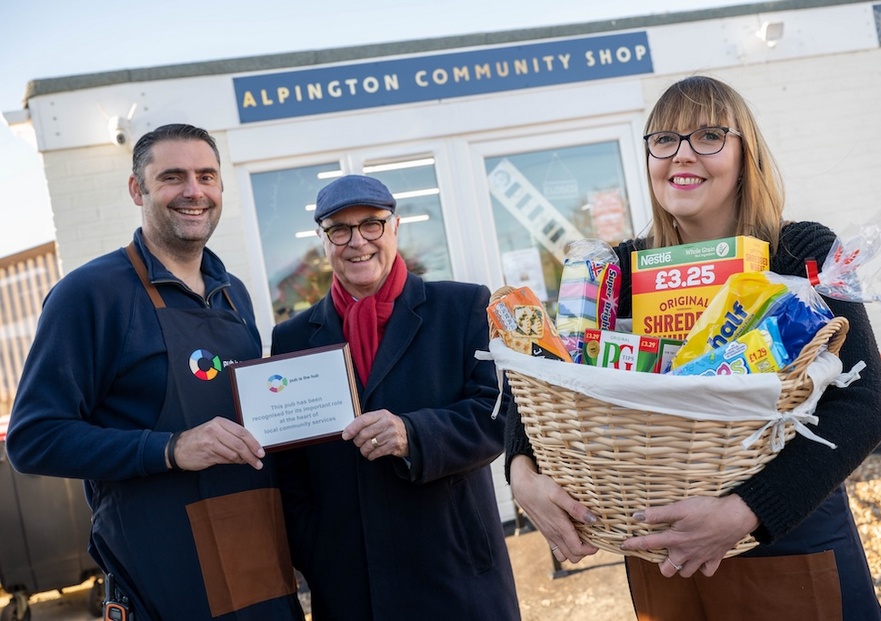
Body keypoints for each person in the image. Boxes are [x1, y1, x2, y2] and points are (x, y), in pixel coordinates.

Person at [505, 75, 881, 620]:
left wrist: (746, 512)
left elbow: (865, 407)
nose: (681, 155)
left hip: (788, 538)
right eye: (664, 140)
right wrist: (521, 473)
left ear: (745, 153)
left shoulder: (799, 251)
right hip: (660, 550)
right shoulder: (614, 269)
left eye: (708, 135)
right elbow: (541, 364)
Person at [6, 124, 304, 620]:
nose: (194, 191)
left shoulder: (233, 292)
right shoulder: (90, 295)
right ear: (136, 189)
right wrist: (170, 448)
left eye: (206, 176)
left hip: (257, 558)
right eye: (173, 177)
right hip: (164, 573)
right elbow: (33, 439)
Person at [272, 174, 520, 621]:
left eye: (371, 224)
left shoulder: (461, 308)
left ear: (396, 227)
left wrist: (413, 434)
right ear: (322, 241)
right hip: (353, 582)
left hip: (455, 570)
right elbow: (288, 466)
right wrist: (315, 549)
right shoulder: (291, 337)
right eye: (339, 230)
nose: (357, 242)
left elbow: (497, 414)